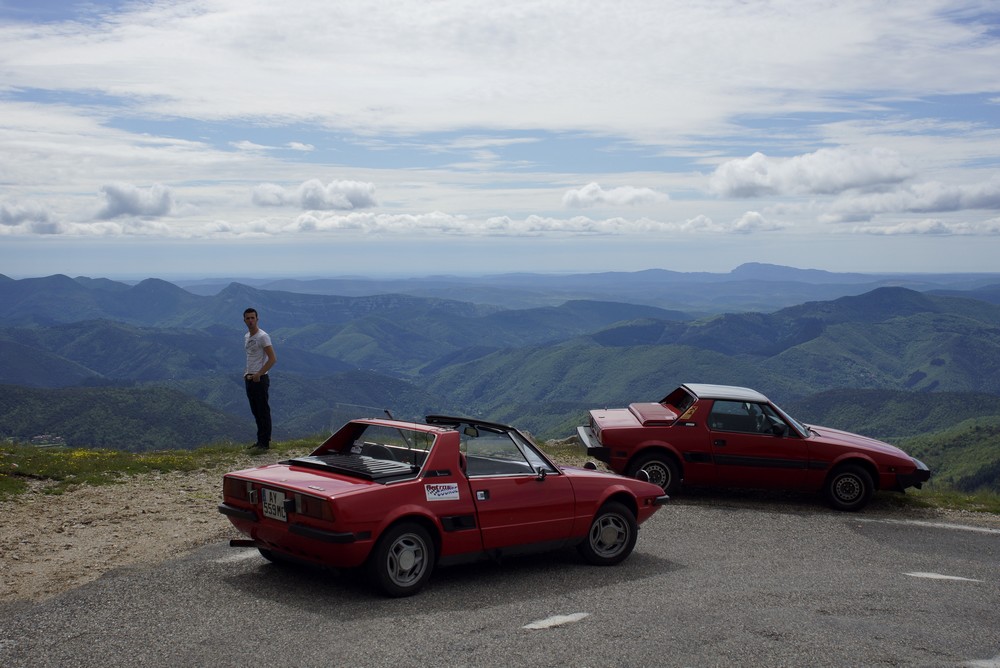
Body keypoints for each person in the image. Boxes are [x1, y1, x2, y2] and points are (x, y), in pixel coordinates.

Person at [243, 307, 276, 450]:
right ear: (244, 320)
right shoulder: (247, 336)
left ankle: (265, 443)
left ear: (257, 319)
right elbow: (251, 357)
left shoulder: (263, 336)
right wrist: (247, 373)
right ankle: (259, 441)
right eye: (248, 318)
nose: (250, 321)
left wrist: (259, 374)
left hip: (260, 379)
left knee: (263, 411)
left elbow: (272, 359)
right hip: (249, 378)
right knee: (255, 411)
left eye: (253, 318)